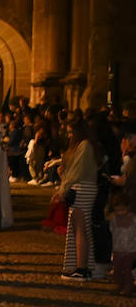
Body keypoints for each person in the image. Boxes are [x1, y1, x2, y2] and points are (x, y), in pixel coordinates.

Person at [55, 117, 99, 280]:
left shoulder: (84, 146)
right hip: (82, 188)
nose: (69, 136)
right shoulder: (85, 146)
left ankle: (82, 268)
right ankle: (81, 266)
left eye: (70, 132)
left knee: (80, 228)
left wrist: (62, 189)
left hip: (82, 189)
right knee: (79, 228)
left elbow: (77, 171)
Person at [107, 191, 136, 296]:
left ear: (128, 207)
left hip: (130, 250)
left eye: (122, 210)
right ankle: (119, 285)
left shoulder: (133, 219)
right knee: (117, 269)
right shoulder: (113, 219)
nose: (120, 213)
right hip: (117, 249)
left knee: (127, 269)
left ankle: (128, 286)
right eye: (117, 210)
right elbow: (112, 230)